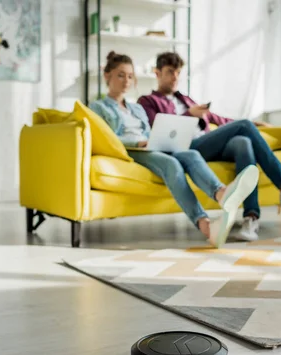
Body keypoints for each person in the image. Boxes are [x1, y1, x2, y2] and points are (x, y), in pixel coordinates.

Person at [138, 52, 281, 241]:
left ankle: (251, 219)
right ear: (157, 73)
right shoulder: (147, 102)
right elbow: (158, 130)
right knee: (244, 126)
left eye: (178, 73)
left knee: (244, 142)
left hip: (208, 143)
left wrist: (256, 126)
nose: (175, 77)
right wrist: (190, 114)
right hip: (188, 148)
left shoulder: (186, 99)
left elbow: (219, 120)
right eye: (170, 72)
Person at [89, 51, 259, 248]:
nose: (126, 80)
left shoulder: (136, 108)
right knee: (172, 164)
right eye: (121, 75)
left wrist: (154, 139)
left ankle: (222, 193)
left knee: (191, 153)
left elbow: (149, 130)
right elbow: (106, 137)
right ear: (107, 76)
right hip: (130, 150)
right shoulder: (98, 107)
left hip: (150, 145)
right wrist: (138, 143)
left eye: (129, 76)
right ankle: (205, 225)